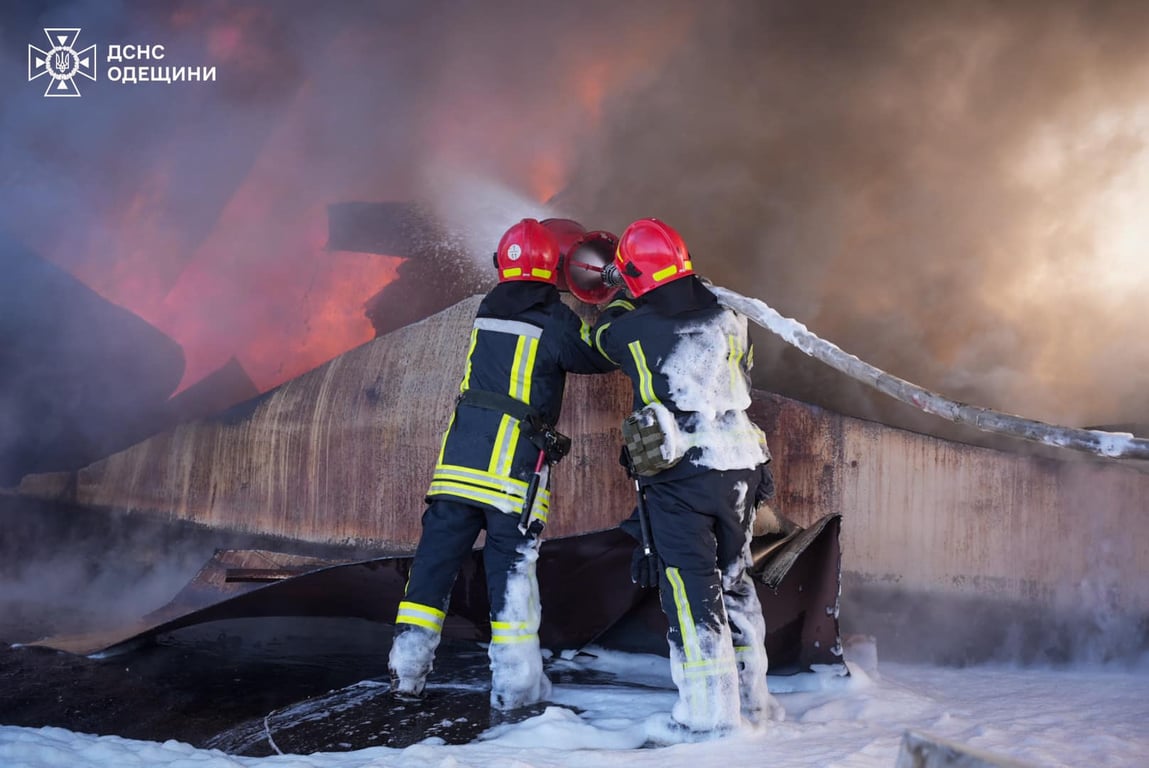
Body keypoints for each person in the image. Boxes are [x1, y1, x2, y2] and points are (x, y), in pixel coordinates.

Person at [388, 218, 615, 710]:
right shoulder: (554, 319)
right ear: (552, 268)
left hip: (457, 466)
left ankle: (406, 674)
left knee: (432, 567)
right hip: (511, 473)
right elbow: (597, 357)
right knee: (511, 573)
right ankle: (514, 692)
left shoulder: (487, 310)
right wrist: (617, 299)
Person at [592, 218, 779, 735]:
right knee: (736, 580)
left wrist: (620, 295)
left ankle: (709, 720)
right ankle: (754, 704)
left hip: (681, 475)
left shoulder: (631, 327)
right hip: (741, 467)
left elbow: (599, 336)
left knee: (690, 591)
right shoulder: (734, 318)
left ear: (636, 276)